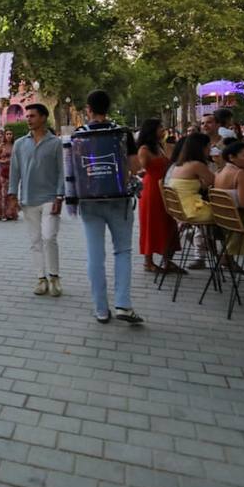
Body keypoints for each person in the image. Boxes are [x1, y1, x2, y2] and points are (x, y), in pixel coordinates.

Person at [76, 90, 144, 324]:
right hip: (118, 199)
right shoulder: (123, 133)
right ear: (109, 107)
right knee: (122, 251)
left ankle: (101, 309)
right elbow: (135, 167)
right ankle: (123, 304)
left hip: (89, 200)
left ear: (88, 109)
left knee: (95, 255)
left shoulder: (78, 135)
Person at [7, 104, 65, 296]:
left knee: (49, 237)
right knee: (35, 240)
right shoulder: (20, 143)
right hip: (28, 199)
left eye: (32, 116)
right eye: (27, 116)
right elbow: (14, 171)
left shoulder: (55, 143)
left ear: (43, 118)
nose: (28, 119)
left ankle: (54, 277)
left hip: (50, 198)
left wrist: (60, 196)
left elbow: (61, 172)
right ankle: (41, 279)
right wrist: (12, 195)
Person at [136, 118, 181, 274]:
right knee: (151, 224)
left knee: (167, 222)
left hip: (164, 188)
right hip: (151, 190)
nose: (163, 129)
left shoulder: (160, 146)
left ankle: (167, 259)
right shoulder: (144, 149)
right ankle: (148, 262)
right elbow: (140, 169)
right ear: (152, 130)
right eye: (160, 127)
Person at [166, 133, 216, 223]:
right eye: (209, 146)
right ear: (202, 148)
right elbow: (215, 182)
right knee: (227, 213)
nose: (210, 150)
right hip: (193, 210)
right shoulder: (197, 165)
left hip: (180, 209)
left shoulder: (179, 165)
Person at [0, 129, 14, 220]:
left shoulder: (15, 145)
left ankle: (10, 213)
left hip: (12, 171)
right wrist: (3, 161)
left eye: (11, 134)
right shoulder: (1, 145)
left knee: (11, 192)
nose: (9, 135)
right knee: (2, 192)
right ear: (5, 135)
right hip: (2, 171)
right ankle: (2, 213)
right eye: (7, 134)